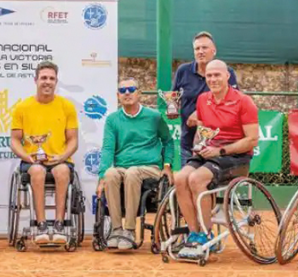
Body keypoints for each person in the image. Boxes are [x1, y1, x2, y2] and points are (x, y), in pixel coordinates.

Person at [174, 59, 258, 259]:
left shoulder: (243, 101)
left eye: (217, 75)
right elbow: (202, 130)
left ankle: (206, 233)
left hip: (236, 158)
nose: (213, 79)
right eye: (209, 75)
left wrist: (221, 151)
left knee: (196, 179)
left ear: (227, 76)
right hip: (209, 154)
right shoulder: (203, 99)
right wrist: (199, 147)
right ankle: (194, 234)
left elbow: (252, 140)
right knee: (179, 178)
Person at [97, 77, 175, 250]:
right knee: (110, 174)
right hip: (121, 167)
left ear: (139, 93)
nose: (127, 93)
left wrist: (168, 165)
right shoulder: (113, 120)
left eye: (131, 89)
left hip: (150, 167)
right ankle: (116, 229)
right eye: (122, 91)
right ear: (118, 95)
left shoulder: (154, 117)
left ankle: (130, 230)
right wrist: (102, 175)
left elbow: (168, 142)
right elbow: (108, 149)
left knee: (133, 172)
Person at [10, 61, 79, 245]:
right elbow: (15, 139)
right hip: (32, 160)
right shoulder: (22, 107)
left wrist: (62, 156)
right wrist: (27, 157)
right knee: (38, 171)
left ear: (56, 82)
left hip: (60, 159)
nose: (47, 82)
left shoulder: (66, 106)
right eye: (43, 78)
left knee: (62, 171)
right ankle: (40, 223)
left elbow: (73, 139)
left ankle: (59, 224)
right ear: (35, 80)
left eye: (51, 78)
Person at [172, 32, 238, 165]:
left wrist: (200, 113)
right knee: (186, 180)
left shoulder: (228, 72)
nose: (200, 52)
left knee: (206, 181)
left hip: (216, 143)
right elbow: (174, 95)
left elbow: (233, 103)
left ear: (214, 51)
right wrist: (172, 105)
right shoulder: (183, 71)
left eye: (204, 48)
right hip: (188, 141)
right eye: (197, 49)